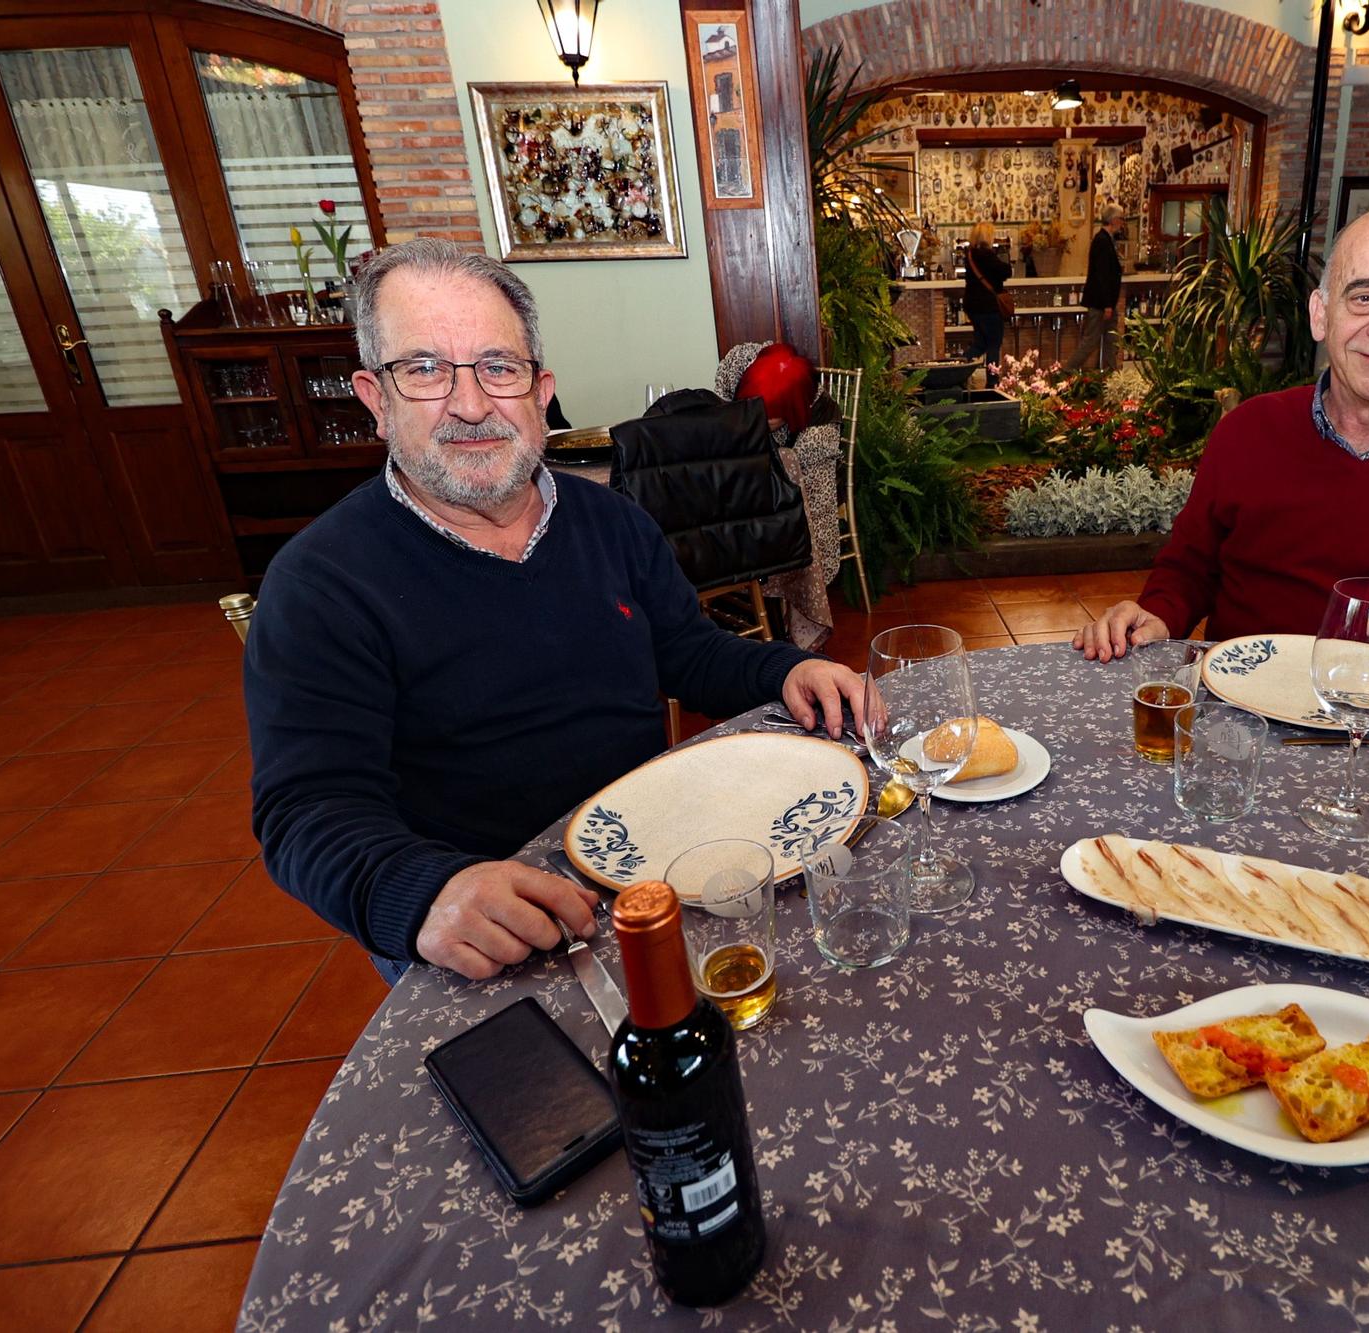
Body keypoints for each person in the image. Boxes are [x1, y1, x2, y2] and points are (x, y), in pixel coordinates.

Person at [244, 238, 867, 982]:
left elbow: (689, 652)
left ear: (540, 393)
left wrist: (787, 669)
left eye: (497, 368)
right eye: (424, 371)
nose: (469, 404)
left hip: (651, 870)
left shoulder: (611, 521)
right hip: (487, 922)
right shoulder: (320, 583)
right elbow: (307, 810)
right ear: (376, 400)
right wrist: (422, 895)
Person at [1074, 204, 1369, 698]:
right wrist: (1156, 613)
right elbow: (1190, 570)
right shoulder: (1247, 432)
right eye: (1364, 296)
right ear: (1321, 314)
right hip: (1246, 717)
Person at [1063, 206, 1126, 372]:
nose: (1122, 223)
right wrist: (1107, 304)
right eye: (1121, 219)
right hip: (1101, 303)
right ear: (1113, 220)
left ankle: (1110, 374)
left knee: (1111, 340)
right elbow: (1102, 275)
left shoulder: (1106, 239)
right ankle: (1069, 369)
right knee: (1091, 340)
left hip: (1105, 302)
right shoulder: (1102, 241)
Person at [962, 221, 1011, 372]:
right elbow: (1006, 271)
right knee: (993, 345)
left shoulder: (969, 255)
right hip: (989, 306)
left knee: (980, 344)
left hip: (973, 306)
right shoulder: (987, 255)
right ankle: (992, 380)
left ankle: (959, 368)